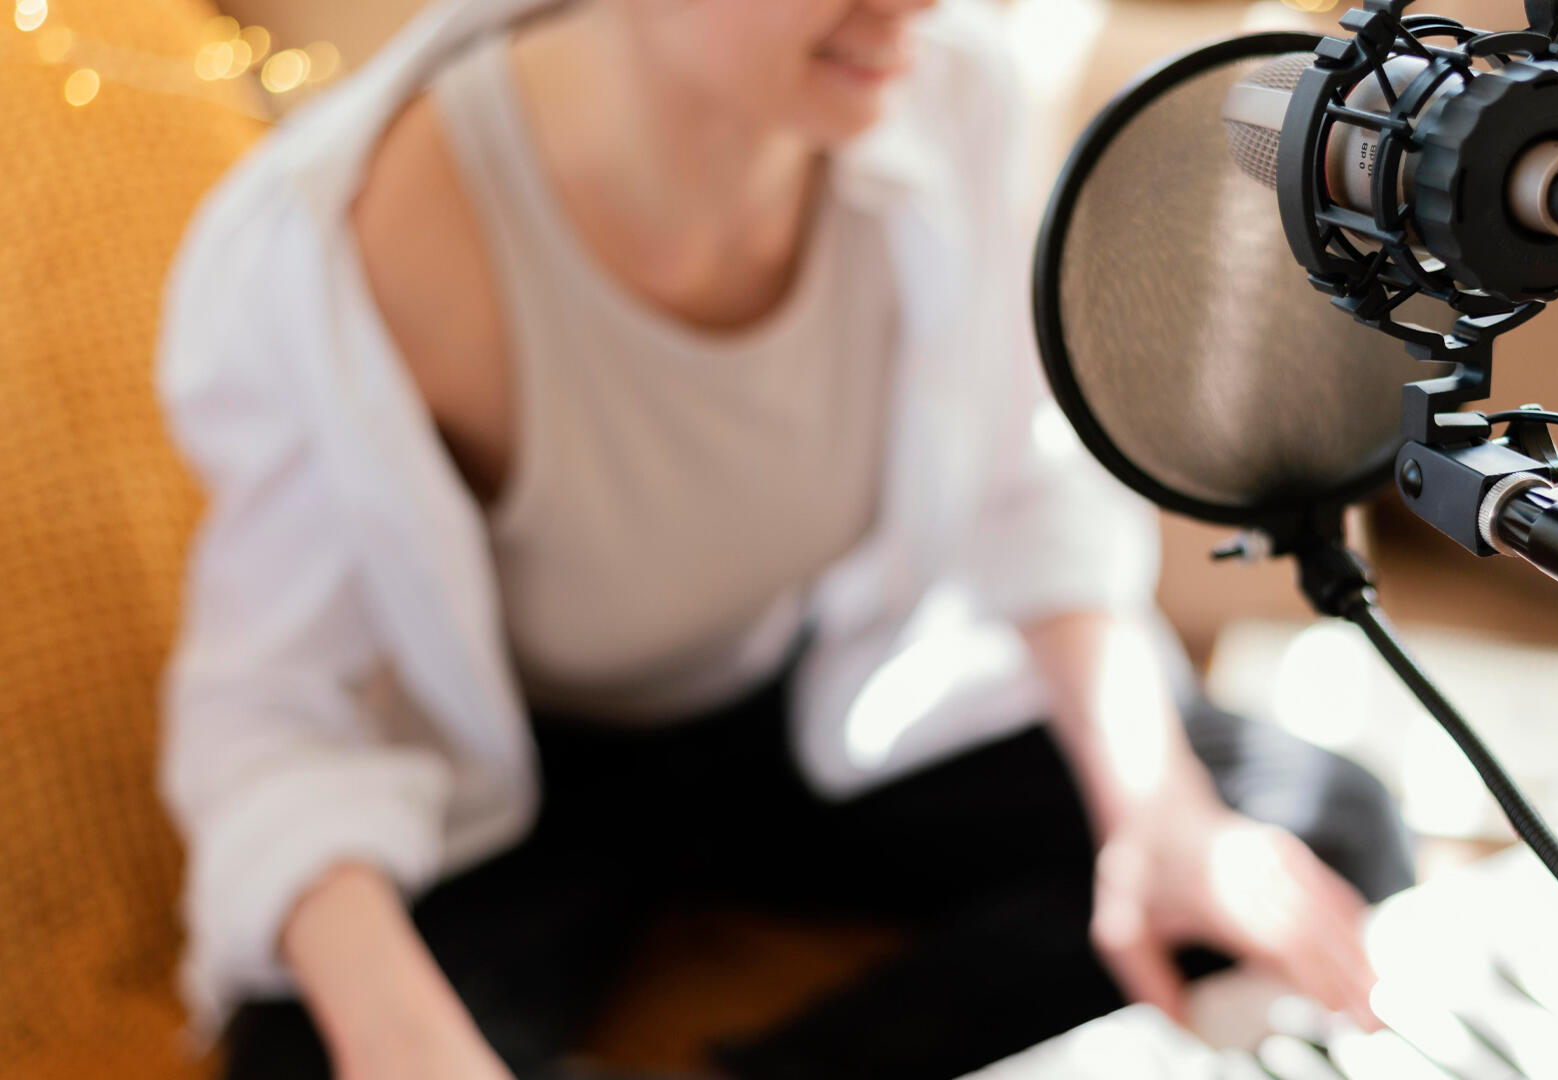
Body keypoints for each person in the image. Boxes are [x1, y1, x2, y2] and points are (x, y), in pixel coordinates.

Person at [157, 0, 1416, 1076]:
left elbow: (1022, 487)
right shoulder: (346, 235)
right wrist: (404, 1038)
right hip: (525, 783)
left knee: (1314, 831)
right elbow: (269, 716)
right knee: (304, 1047)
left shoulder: (947, 86)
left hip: (808, 700)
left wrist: (1158, 810)